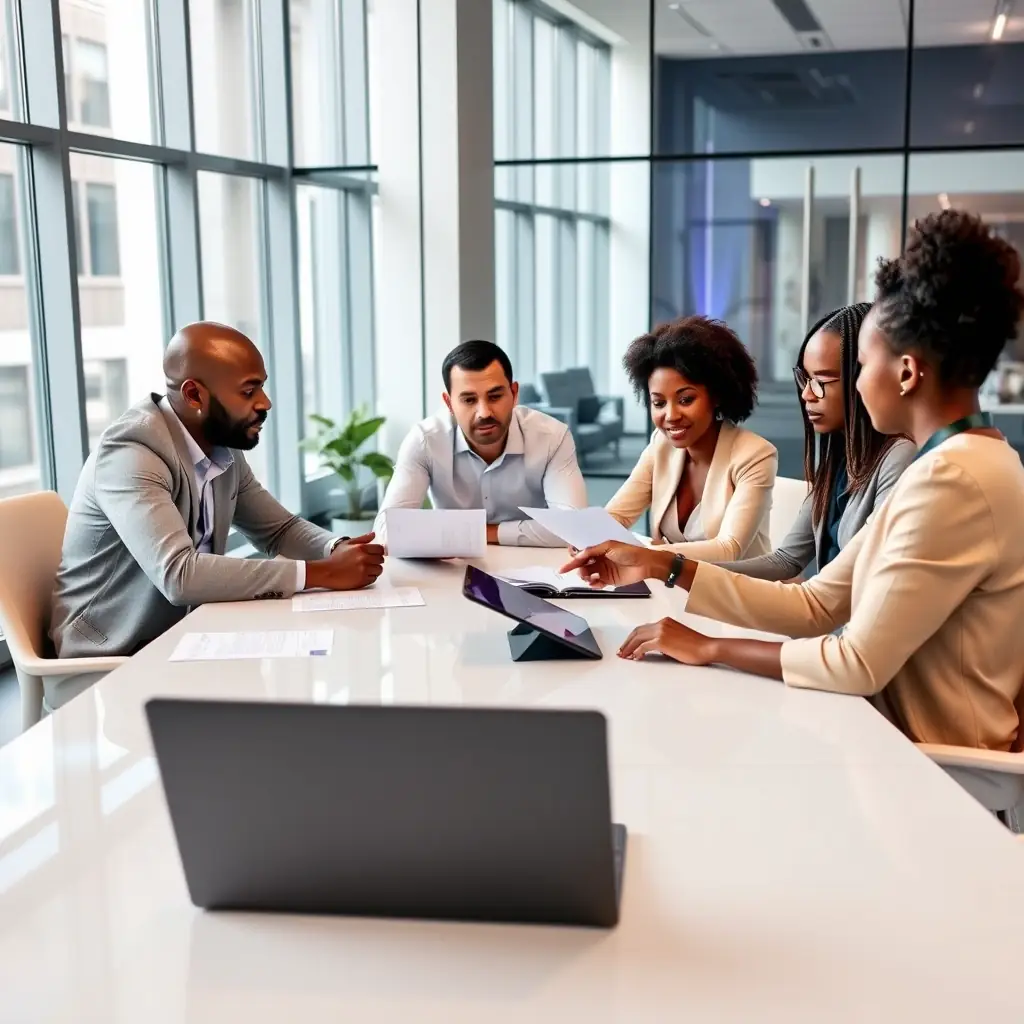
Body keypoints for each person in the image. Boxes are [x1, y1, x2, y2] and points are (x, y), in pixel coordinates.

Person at [561, 210, 1024, 750]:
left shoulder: (951, 480)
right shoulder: (956, 465)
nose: (849, 386)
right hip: (884, 736)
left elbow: (856, 663)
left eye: (859, 366)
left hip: (929, 766)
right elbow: (818, 604)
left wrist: (711, 647)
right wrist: (663, 563)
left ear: (904, 372)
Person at [50, 322, 385, 672]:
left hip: (191, 635)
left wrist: (337, 549)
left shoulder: (220, 445)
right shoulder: (131, 453)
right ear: (195, 395)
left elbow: (278, 529)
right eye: (248, 391)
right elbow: (180, 575)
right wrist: (321, 574)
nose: (265, 402)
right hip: (112, 657)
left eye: (262, 387)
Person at [717, 303, 914, 580]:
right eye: (805, 379)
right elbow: (786, 560)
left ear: (864, 378)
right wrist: (682, 569)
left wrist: (679, 570)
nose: (807, 394)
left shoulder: (900, 457)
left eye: (821, 380)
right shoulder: (839, 458)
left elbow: (855, 586)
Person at [374, 340, 586, 547]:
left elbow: (573, 526)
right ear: (449, 403)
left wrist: (477, 533)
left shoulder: (551, 436)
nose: (484, 412)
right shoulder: (426, 441)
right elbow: (386, 529)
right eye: (469, 400)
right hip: (453, 567)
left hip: (536, 569)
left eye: (495, 396)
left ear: (514, 394)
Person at [605, 315, 777, 560]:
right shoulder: (661, 445)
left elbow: (729, 549)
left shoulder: (755, 455)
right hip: (673, 590)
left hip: (737, 591)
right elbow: (618, 516)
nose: (671, 415)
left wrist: (645, 555)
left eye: (686, 399)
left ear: (716, 395)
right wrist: (590, 538)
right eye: (659, 403)